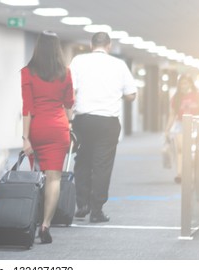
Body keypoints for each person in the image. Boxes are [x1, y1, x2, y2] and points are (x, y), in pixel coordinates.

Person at [69, 32, 137, 223]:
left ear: (92, 45)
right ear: (109, 46)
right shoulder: (119, 64)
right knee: (102, 166)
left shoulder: (78, 61)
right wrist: (117, 94)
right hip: (108, 122)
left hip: (83, 119)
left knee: (82, 161)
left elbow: (70, 90)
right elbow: (131, 94)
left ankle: (82, 204)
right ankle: (97, 210)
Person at [21, 31, 74, 244]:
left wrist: (26, 138)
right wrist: (69, 124)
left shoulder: (27, 72)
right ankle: (45, 225)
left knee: (37, 177)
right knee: (54, 178)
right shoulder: (65, 72)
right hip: (58, 128)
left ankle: (33, 219)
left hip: (37, 128)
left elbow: (27, 109)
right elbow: (69, 103)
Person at [164, 75, 199, 184]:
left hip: (195, 124)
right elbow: (172, 115)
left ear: (190, 84)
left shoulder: (198, 96)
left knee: (193, 150)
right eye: (181, 83)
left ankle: (193, 172)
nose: (183, 86)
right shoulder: (176, 98)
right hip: (181, 124)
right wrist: (167, 129)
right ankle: (180, 174)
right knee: (180, 149)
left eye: (185, 83)